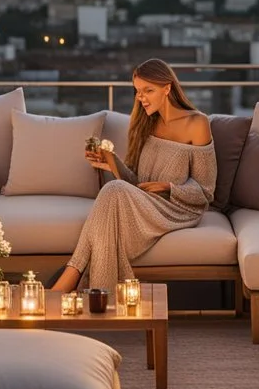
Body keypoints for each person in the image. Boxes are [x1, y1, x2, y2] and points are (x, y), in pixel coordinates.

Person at [50, 59, 216, 292]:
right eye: (138, 91)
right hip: (145, 204)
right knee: (113, 191)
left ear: (167, 88)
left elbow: (206, 189)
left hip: (178, 208)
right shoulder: (146, 124)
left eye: (148, 90)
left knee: (112, 190)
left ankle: (71, 276)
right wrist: (111, 159)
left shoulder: (197, 123)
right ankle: (80, 281)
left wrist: (168, 187)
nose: (141, 98)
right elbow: (136, 185)